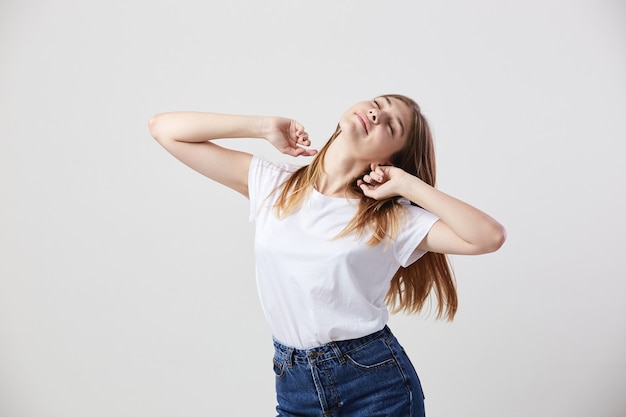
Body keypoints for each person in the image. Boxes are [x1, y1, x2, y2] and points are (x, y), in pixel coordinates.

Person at [148, 94, 506, 417]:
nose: (376, 115)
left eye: (391, 124)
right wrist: (263, 126)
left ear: (392, 158)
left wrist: (407, 185)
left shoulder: (391, 217)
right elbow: (164, 129)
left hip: (375, 386)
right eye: (377, 105)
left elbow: (488, 237)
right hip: (294, 384)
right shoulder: (274, 184)